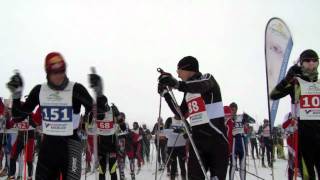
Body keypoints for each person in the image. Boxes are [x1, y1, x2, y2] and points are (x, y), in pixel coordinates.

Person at [6, 52, 109, 180]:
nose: (59, 76)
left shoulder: (76, 89)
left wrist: (99, 93)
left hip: (71, 145)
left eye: (62, 71)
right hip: (48, 146)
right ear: (47, 72)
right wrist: (16, 95)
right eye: (54, 73)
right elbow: (18, 117)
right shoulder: (40, 90)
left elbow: (99, 114)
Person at [158, 56, 229, 179]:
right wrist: (166, 94)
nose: (178, 74)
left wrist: (176, 83)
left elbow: (200, 86)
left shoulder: (207, 78)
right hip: (198, 143)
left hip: (216, 141)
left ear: (187, 69)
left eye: (178, 70)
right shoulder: (188, 92)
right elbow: (179, 114)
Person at [270, 49, 320, 180]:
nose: (311, 64)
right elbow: (273, 95)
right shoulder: (295, 83)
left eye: (315, 61)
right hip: (304, 140)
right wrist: (287, 78)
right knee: (308, 176)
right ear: (301, 64)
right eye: (307, 61)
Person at [6, 106, 41, 180]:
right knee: (12, 157)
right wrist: (7, 119)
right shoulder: (17, 117)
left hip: (29, 138)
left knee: (29, 159)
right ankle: (12, 175)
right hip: (20, 138)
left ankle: (29, 177)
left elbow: (36, 124)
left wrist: (30, 119)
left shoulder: (30, 114)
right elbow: (9, 125)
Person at [95, 102, 120, 180]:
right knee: (102, 170)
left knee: (112, 170)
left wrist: (118, 115)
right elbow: (89, 128)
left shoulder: (112, 112)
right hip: (101, 147)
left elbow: (122, 126)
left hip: (112, 146)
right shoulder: (97, 112)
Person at [164, 116, 187, 180]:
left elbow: (189, 132)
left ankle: (184, 178)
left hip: (182, 146)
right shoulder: (169, 120)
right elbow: (166, 134)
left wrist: (186, 134)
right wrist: (174, 130)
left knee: (182, 166)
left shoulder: (184, 120)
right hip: (172, 147)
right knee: (173, 166)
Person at [228, 102, 247, 180]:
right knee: (233, 165)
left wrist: (245, 124)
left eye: (235, 110)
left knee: (242, 165)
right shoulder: (227, 118)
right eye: (232, 110)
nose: (233, 111)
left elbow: (246, 130)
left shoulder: (241, 117)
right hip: (233, 142)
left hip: (241, 141)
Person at [282, 112, 298, 180]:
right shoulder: (288, 114)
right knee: (291, 162)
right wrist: (290, 119)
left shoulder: (302, 113)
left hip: (299, 138)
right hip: (290, 139)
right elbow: (284, 126)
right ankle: (290, 177)